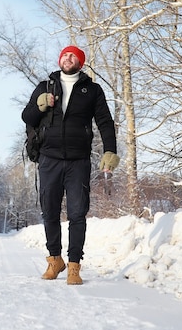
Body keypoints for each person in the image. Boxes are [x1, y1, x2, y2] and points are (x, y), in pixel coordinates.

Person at [21, 45, 119, 285]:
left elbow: (105, 121)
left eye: (73, 55)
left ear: (80, 62)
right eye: (65, 54)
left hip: (79, 160)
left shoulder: (92, 90)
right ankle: (55, 260)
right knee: (50, 211)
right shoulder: (45, 87)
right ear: (60, 59)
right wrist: (40, 104)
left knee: (77, 213)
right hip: (49, 158)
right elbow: (27, 116)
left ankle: (74, 265)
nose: (68, 57)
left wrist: (110, 150)